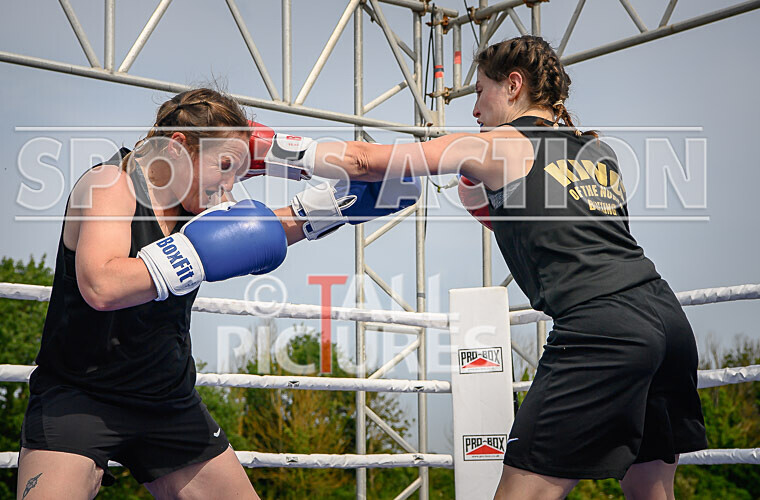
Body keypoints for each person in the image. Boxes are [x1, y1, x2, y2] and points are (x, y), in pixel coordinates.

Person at [257, 36, 707, 500]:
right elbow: (561, 235)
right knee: (652, 492)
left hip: (603, 328)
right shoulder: (596, 150)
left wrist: (269, 149)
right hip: (666, 318)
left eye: (479, 92)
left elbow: (367, 162)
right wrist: (487, 199)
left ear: (513, 86)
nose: (473, 110)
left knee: (522, 491)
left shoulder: (498, 144)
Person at [16, 88, 420, 499]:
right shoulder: (109, 184)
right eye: (224, 167)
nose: (229, 187)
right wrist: (194, 251)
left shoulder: (194, 201)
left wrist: (329, 209)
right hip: (80, 398)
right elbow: (101, 285)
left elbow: (251, 233)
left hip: (166, 401)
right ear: (177, 148)